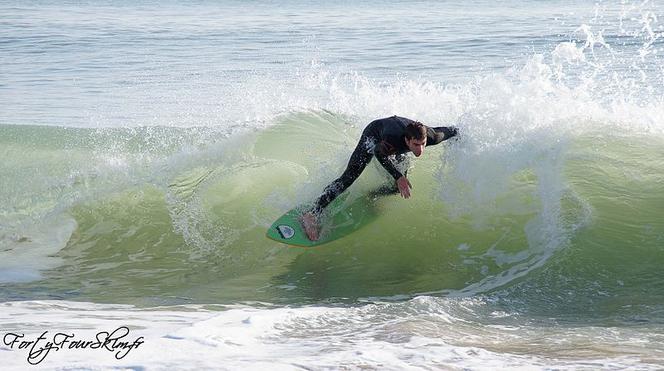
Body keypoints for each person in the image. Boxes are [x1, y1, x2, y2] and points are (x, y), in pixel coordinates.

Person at [301, 115, 458, 240]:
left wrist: (461, 133)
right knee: (349, 177)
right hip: (374, 135)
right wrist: (398, 176)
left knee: (398, 188)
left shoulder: (432, 137)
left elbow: (450, 131)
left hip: (395, 145)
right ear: (408, 140)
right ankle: (312, 213)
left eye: (423, 144)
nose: (421, 149)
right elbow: (379, 153)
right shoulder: (391, 139)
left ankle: (372, 195)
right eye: (416, 145)